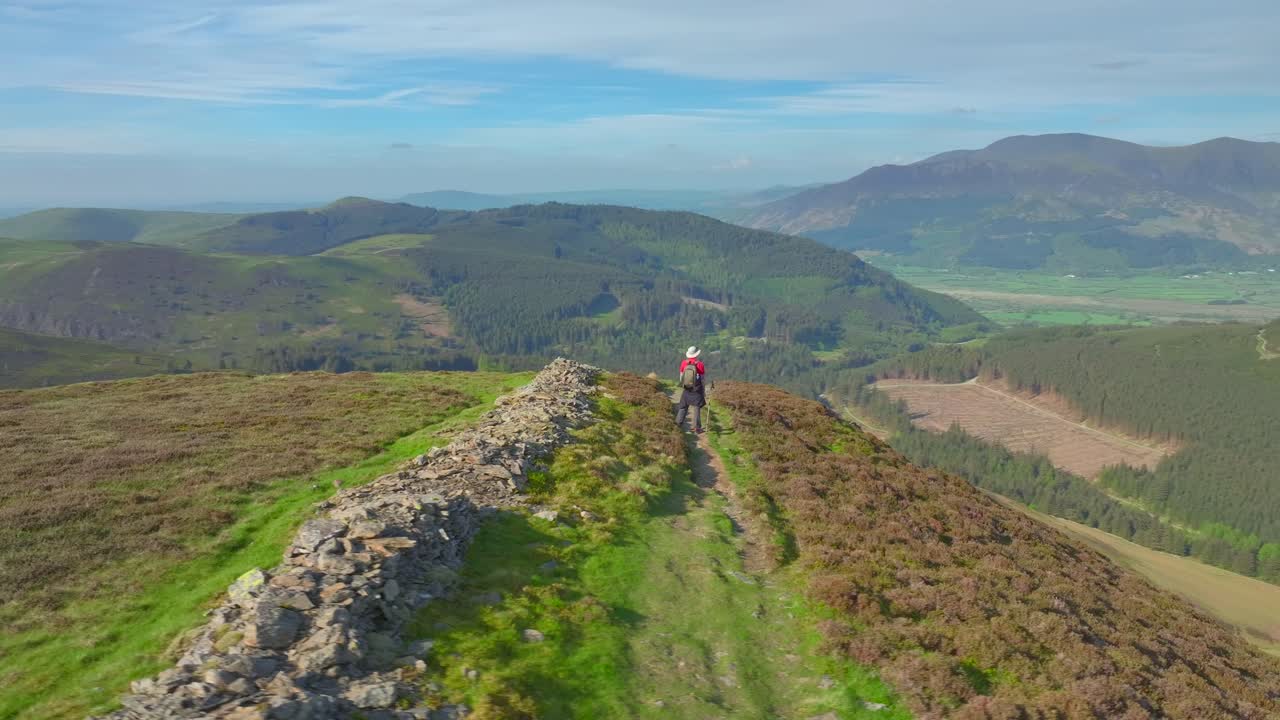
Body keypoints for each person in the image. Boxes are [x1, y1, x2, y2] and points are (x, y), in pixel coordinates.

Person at [675, 346, 707, 434]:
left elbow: (681, 376)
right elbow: (703, 379)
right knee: (696, 407)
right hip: (696, 389)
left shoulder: (684, 363)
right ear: (696, 354)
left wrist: (683, 385)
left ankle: (678, 424)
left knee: (683, 406)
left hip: (686, 388)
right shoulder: (700, 364)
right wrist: (703, 390)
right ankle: (696, 428)